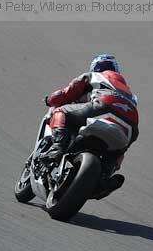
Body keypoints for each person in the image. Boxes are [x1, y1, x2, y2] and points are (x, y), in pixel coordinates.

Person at [42, 53, 139, 198]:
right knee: (118, 150)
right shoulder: (130, 92)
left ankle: (58, 147)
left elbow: (68, 92)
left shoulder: (95, 76)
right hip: (131, 125)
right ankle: (105, 177)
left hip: (102, 107)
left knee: (61, 111)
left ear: (95, 67)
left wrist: (50, 100)